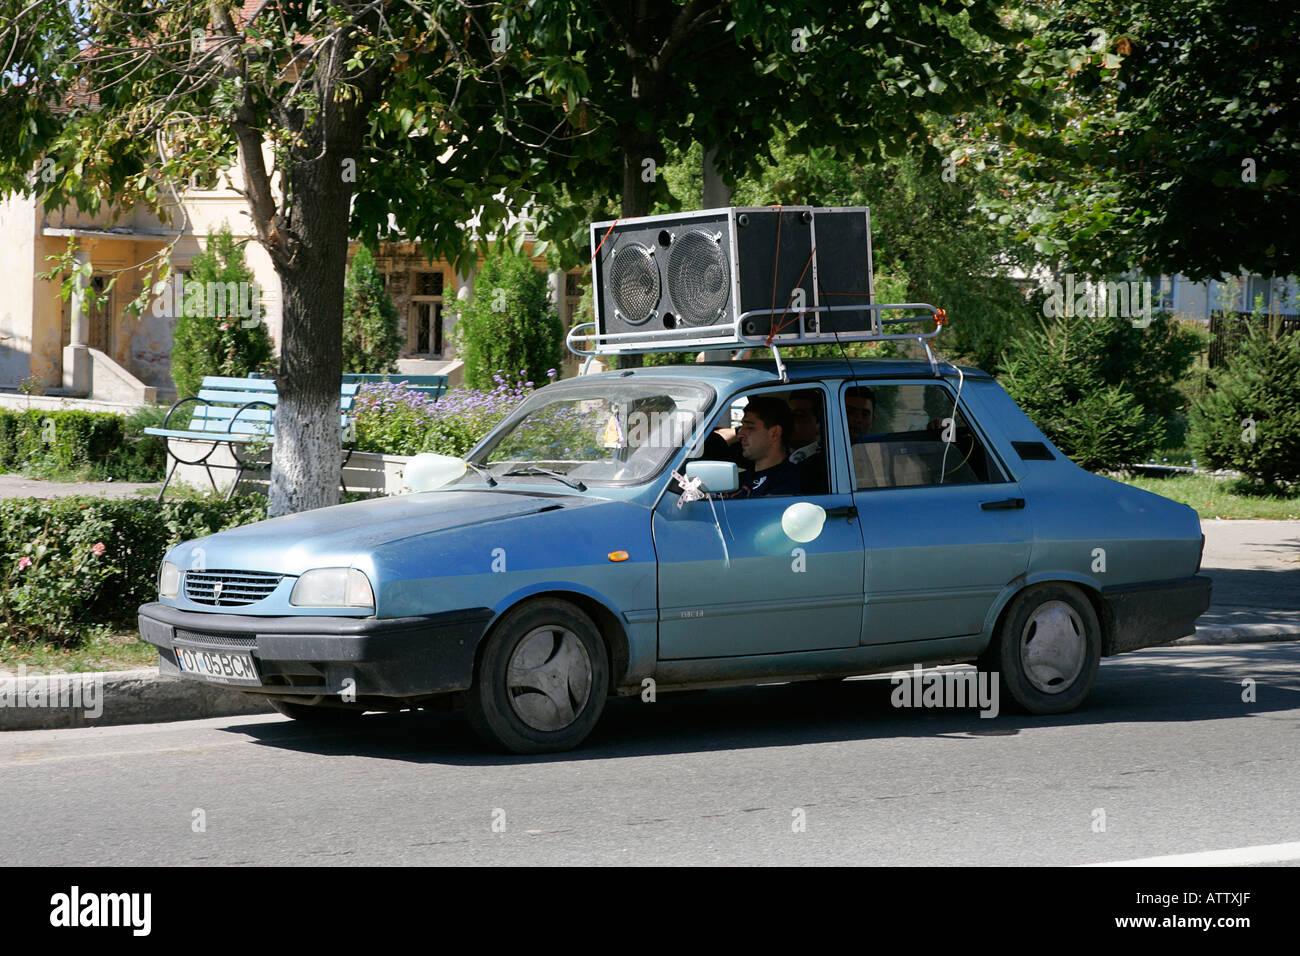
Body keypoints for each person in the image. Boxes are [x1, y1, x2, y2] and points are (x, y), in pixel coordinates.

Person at [723, 395, 803, 498]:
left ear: (774, 433)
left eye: (750, 427)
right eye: (742, 426)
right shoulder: (739, 479)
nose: (740, 434)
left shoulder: (788, 483)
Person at [787, 389, 828, 494]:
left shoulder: (822, 464)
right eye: (788, 415)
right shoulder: (778, 452)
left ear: (819, 424)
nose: (789, 421)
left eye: (799, 415)